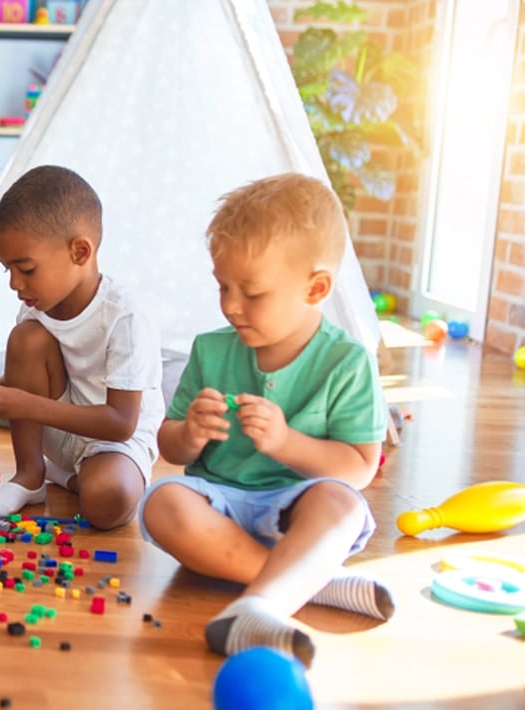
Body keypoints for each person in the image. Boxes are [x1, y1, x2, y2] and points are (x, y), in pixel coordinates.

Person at [139, 173, 392, 667]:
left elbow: (360, 467)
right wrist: (189, 433)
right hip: (219, 506)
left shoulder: (347, 362)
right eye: (223, 286)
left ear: (316, 288)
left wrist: (285, 443)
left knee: (343, 504)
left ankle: (258, 606)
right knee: (162, 501)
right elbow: (169, 446)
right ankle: (308, 581)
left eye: (252, 293)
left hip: (300, 509)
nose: (231, 306)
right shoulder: (211, 350)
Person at [0, 166, 163, 528]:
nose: (14, 283)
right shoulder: (36, 307)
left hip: (113, 441)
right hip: (57, 428)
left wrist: (23, 404)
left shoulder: (125, 317)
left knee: (106, 502)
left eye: (26, 269)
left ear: (80, 251)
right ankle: (30, 475)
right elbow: (33, 378)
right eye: (7, 269)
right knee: (26, 338)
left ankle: (68, 477)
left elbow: (121, 423)